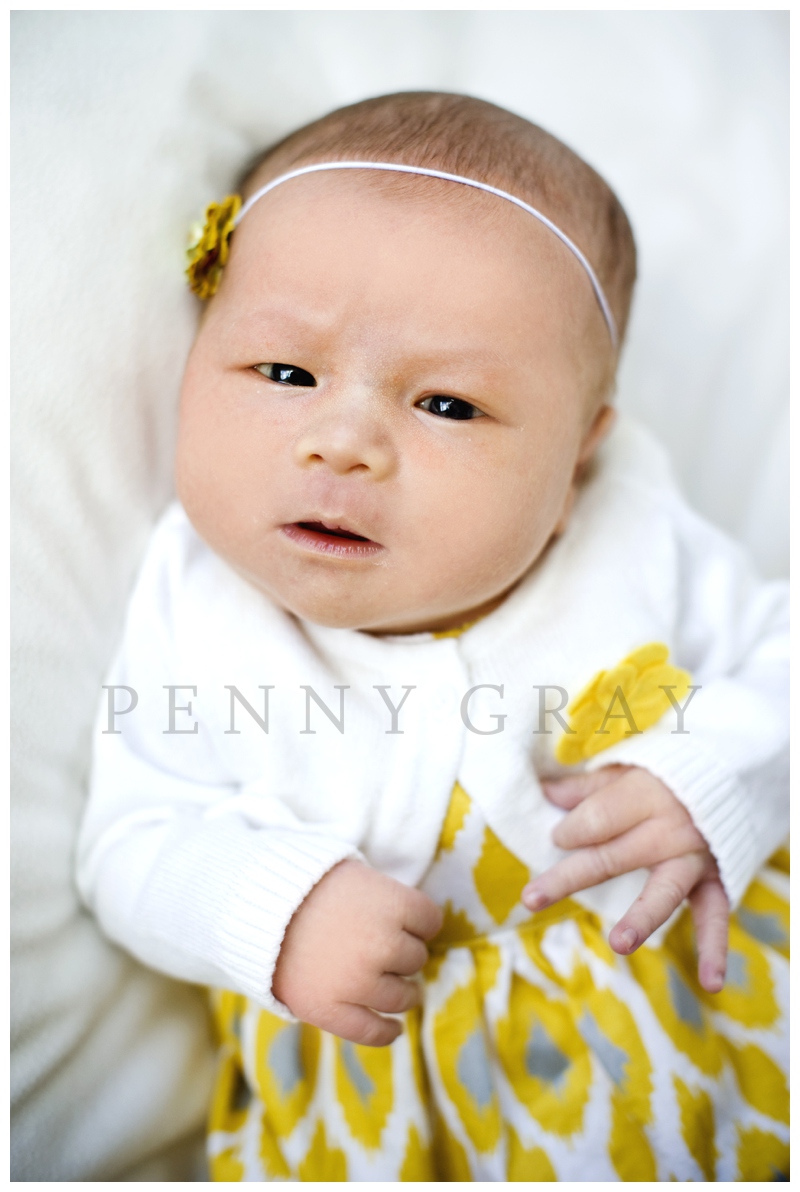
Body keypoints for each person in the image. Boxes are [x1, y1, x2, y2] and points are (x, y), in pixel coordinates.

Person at [76, 92, 788, 1181]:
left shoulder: (634, 540)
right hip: (386, 1093)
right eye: (285, 373)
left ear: (577, 460)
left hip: (696, 1021)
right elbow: (131, 840)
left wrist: (709, 778)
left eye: (447, 405)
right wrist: (273, 911)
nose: (343, 442)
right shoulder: (199, 608)